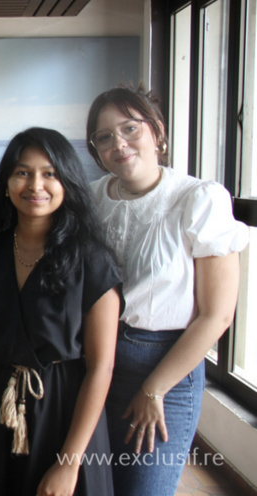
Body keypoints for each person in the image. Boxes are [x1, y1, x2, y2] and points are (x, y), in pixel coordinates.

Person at [86, 86, 248, 496]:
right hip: (96, 365)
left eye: (129, 128)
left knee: (144, 489)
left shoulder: (198, 199)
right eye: (104, 137)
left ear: (157, 131)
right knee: (97, 486)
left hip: (164, 369)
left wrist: (153, 388)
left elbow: (217, 315)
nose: (118, 144)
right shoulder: (92, 199)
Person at [0, 128, 121, 496]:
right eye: (22, 172)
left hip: (68, 419)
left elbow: (101, 367)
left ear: (68, 183)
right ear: (6, 184)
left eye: (50, 173)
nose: (35, 184)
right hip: (2, 417)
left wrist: (69, 462)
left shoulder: (92, 261)